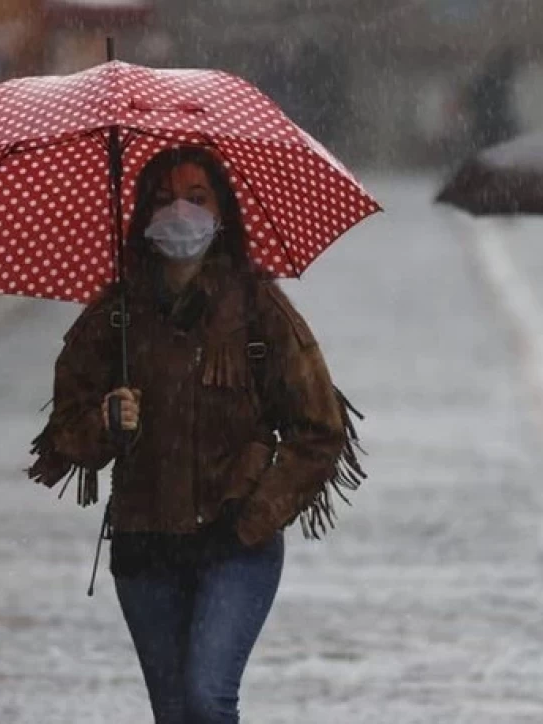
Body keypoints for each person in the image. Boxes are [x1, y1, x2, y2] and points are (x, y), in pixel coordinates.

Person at [28, 146, 362, 724]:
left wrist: (256, 514)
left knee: (209, 700)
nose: (180, 211)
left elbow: (320, 431)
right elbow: (63, 436)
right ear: (142, 217)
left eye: (197, 197)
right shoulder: (116, 317)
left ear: (223, 212)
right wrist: (106, 422)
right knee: (175, 712)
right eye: (163, 199)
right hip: (145, 548)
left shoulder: (261, 312)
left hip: (235, 549)